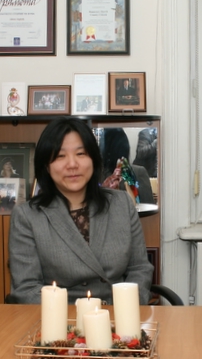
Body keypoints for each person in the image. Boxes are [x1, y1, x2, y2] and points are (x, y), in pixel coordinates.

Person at [8, 118, 153, 304]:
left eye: (81, 153)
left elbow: (139, 268)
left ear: (93, 159)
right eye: (60, 156)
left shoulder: (121, 204)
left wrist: (127, 307)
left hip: (117, 311)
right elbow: (26, 289)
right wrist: (79, 317)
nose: (72, 164)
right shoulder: (27, 216)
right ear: (46, 166)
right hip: (60, 316)